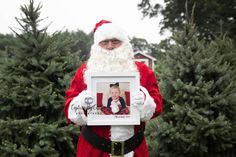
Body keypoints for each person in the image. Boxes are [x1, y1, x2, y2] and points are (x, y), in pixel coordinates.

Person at [64, 20, 163, 157]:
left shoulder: (142, 71)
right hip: (93, 150)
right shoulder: (84, 72)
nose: (110, 46)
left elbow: (157, 106)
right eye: (105, 42)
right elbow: (69, 109)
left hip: (134, 149)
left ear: (124, 44)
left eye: (115, 41)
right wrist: (81, 103)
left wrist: (144, 100)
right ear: (97, 46)